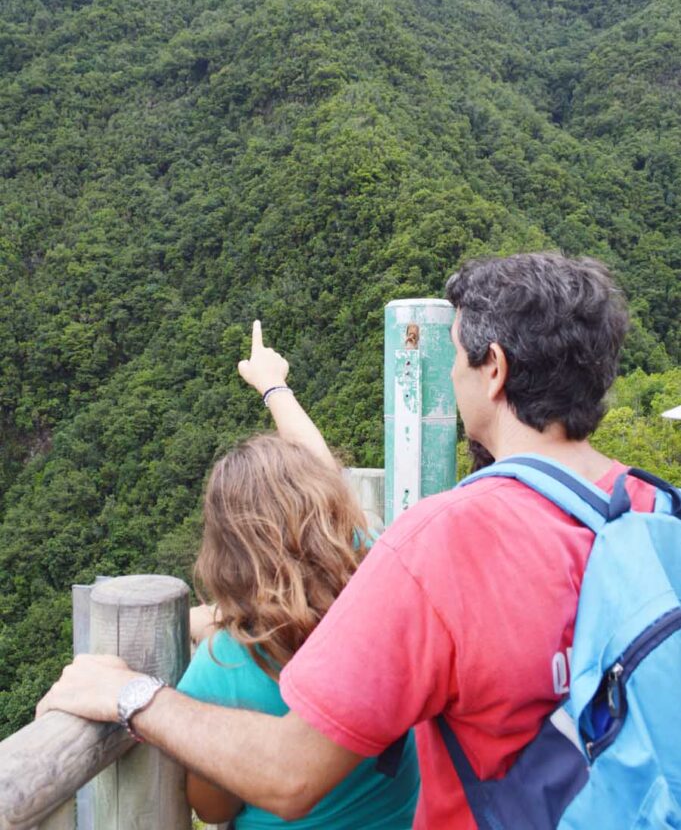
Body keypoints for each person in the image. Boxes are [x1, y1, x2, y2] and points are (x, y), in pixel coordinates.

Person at [38, 252, 656, 829]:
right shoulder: (654, 512)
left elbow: (289, 775)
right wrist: (274, 389)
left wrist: (131, 695)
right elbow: (323, 487)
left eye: (455, 355)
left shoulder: (444, 544)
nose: (450, 372)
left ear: (492, 368)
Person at [162, 323, 419, 827]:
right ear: (326, 511)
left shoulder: (221, 671)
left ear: (225, 547)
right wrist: (273, 386)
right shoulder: (371, 576)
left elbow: (212, 809)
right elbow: (320, 469)